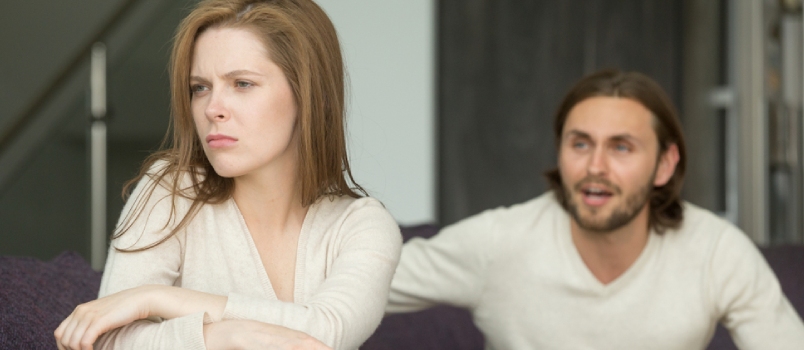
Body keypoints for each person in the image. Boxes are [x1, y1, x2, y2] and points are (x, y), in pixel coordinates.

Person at [54, 0, 402, 349]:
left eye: (242, 84)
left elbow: (326, 334)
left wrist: (156, 298)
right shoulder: (171, 192)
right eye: (200, 87)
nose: (212, 109)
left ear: (311, 95)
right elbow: (105, 341)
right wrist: (219, 336)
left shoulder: (363, 226)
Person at [386, 69, 804, 349]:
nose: (595, 167)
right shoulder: (499, 243)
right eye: (580, 143)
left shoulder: (716, 252)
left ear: (664, 163)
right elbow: (361, 277)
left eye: (621, 147)